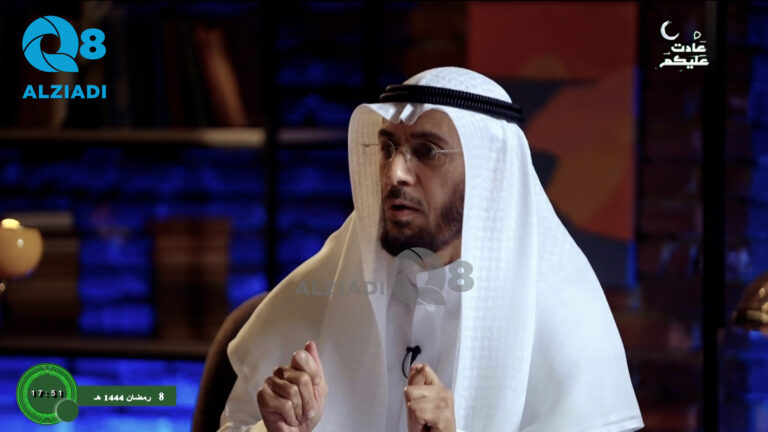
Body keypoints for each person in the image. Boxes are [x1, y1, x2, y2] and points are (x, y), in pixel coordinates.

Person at [218, 66, 644, 432]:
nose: (395, 173)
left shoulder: (563, 315)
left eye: (427, 151)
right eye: (388, 148)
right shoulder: (328, 282)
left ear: (489, 173)